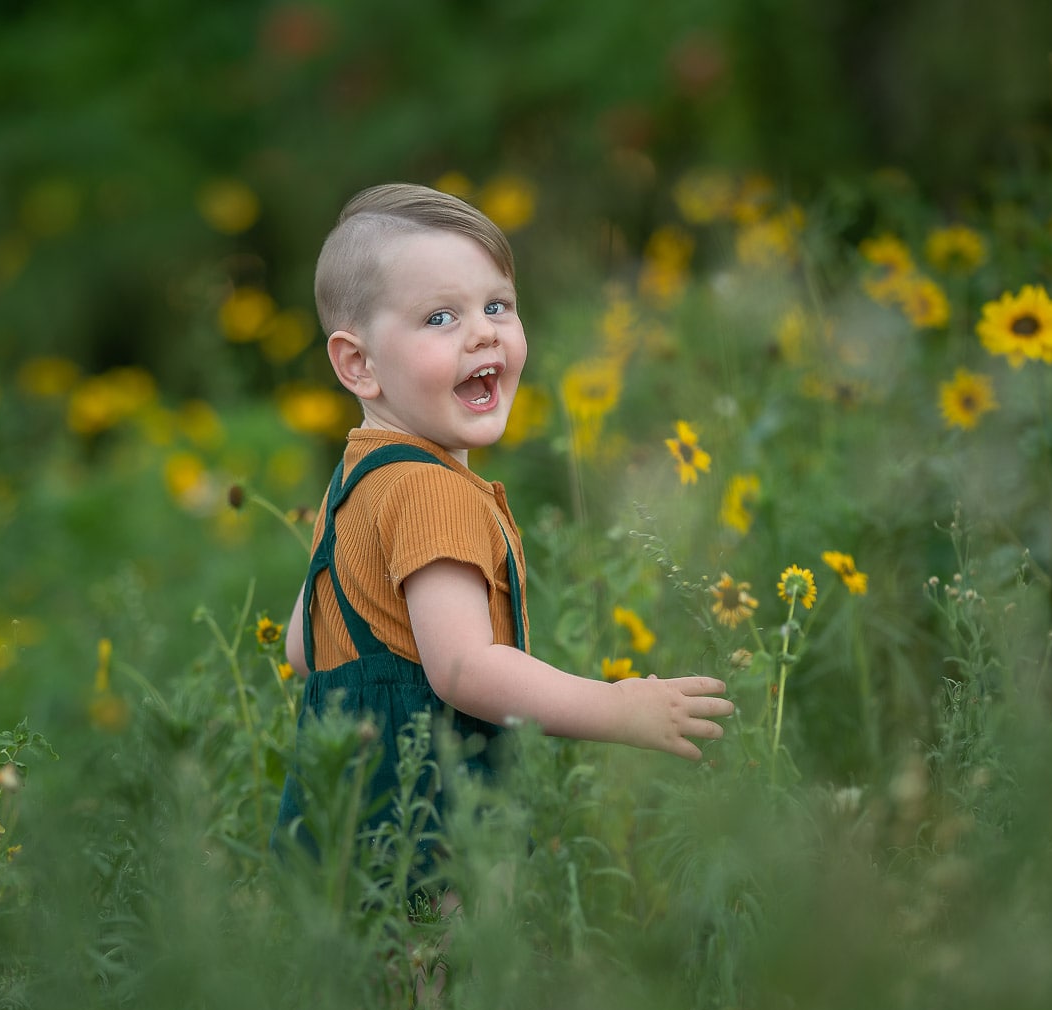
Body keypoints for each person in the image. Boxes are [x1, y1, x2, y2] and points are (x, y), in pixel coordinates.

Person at [275, 182, 732, 873]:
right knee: (442, 967)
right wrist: (618, 708)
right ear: (358, 363)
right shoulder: (432, 493)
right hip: (423, 824)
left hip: (337, 817)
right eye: (439, 318)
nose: (483, 331)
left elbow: (305, 647)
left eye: (497, 306)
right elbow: (464, 668)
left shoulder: (355, 482)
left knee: (367, 971)